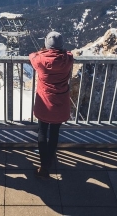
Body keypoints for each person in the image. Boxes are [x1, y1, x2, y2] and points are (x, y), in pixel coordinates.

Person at [29, 31, 74, 179]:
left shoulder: (40, 59)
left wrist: (43, 51)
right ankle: (49, 158)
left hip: (44, 101)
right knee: (54, 133)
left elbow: (32, 55)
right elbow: (69, 53)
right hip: (61, 102)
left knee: (42, 132)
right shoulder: (68, 59)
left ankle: (44, 166)